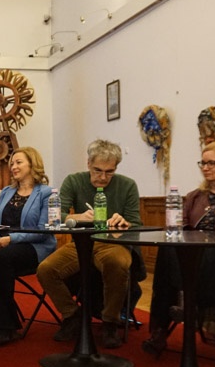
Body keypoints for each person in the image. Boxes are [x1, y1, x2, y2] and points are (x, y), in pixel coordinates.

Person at [141, 142, 215, 357]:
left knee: (210, 252)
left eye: (211, 163)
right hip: (192, 257)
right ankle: (160, 329)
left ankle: (186, 303)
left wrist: (212, 239)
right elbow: (180, 226)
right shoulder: (195, 196)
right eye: (202, 163)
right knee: (168, 249)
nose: (205, 168)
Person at [36, 139, 141, 348]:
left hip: (113, 243)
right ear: (88, 163)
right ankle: (72, 315)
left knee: (117, 264)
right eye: (97, 170)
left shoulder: (127, 185)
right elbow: (56, 215)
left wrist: (124, 222)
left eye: (109, 172)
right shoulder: (74, 181)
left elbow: (136, 224)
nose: (103, 177)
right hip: (81, 243)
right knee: (46, 270)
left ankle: (110, 321)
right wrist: (78, 217)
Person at [0, 147, 57, 346]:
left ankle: (7, 325)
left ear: (32, 164)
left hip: (34, 247)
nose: (13, 167)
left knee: (1, 258)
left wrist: (10, 239)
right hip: (3, 246)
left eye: (18, 162)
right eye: (12, 163)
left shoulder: (47, 193)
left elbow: (43, 230)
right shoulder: (6, 192)